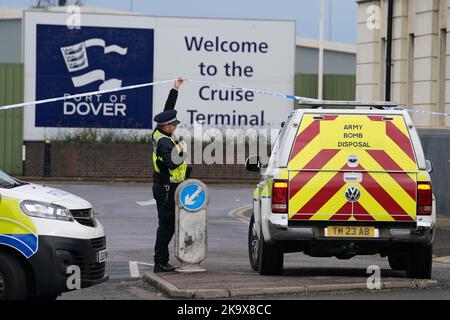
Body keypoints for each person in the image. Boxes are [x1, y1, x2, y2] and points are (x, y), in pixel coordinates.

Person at [151, 78, 189, 273]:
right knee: (166, 225)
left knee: (167, 224)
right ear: (167, 127)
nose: (175, 126)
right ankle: (160, 262)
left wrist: (175, 89)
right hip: (166, 187)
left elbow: (167, 109)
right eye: (173, 124)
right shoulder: (165, 143)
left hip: (166, 186)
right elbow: (172, 162)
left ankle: (162, 260)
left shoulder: (159, 133)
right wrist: (182, 151)